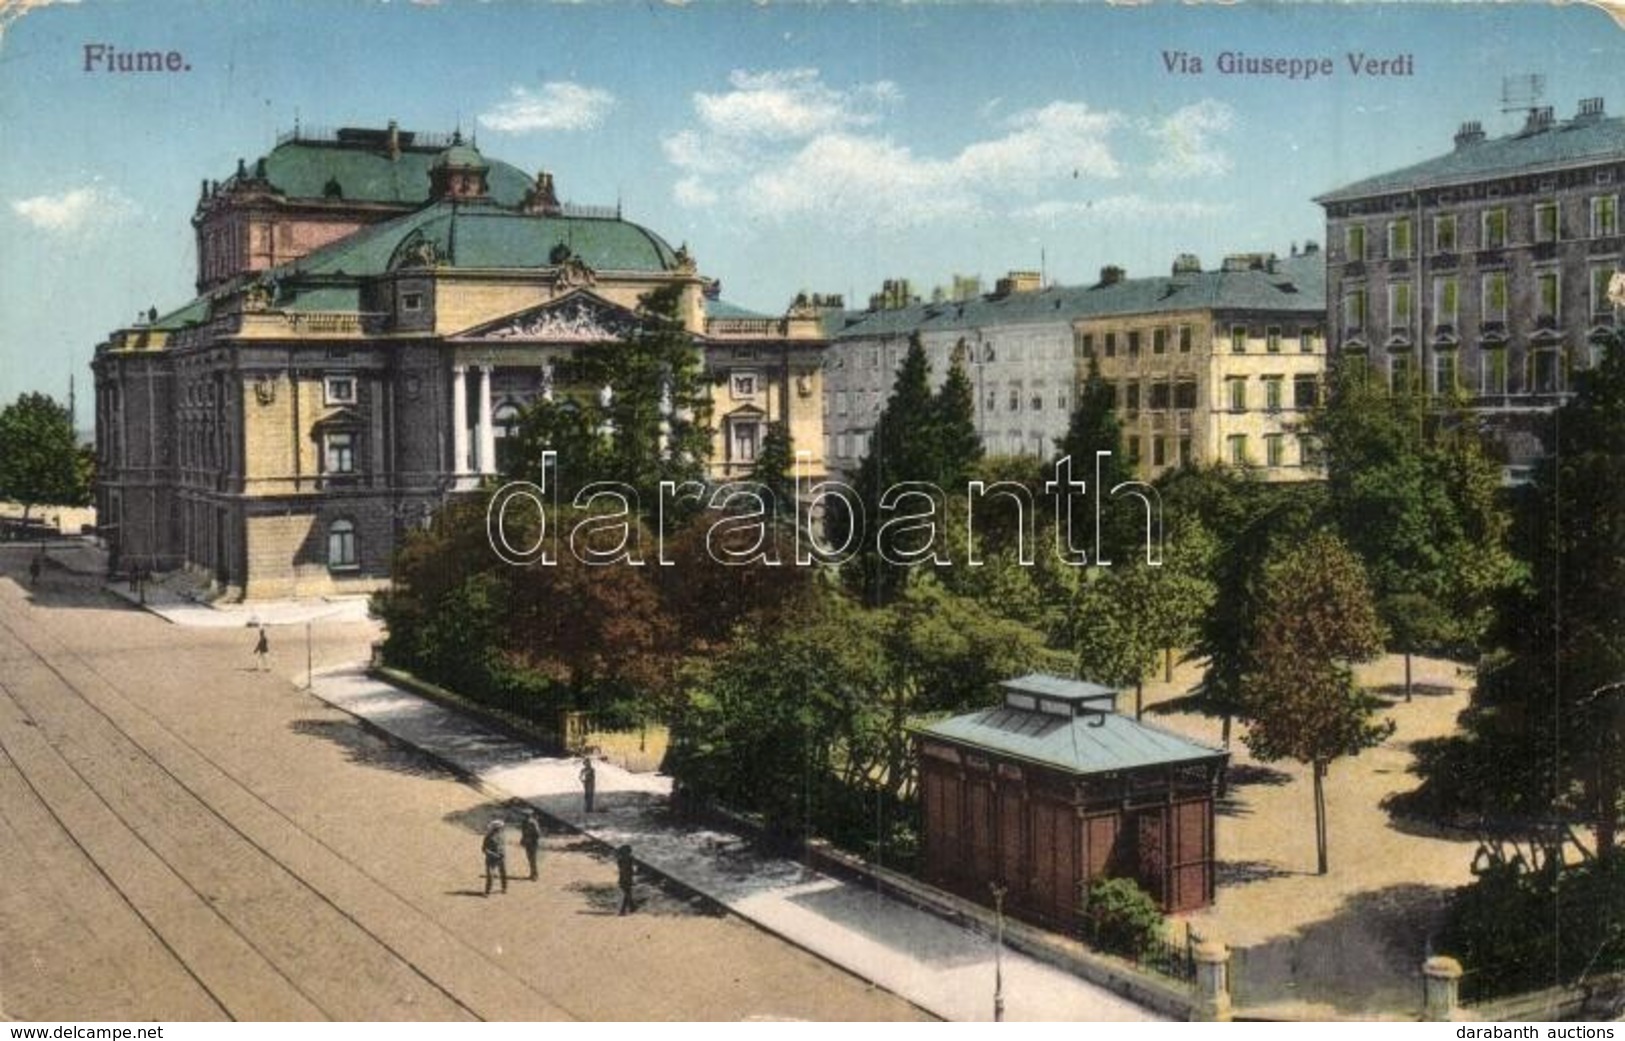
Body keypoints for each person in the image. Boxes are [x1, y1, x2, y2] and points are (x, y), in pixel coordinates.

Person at [482, 819, 508, 895]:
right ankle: (487, 891)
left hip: (501, 858)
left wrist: (503, 854)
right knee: (490, 875)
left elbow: (502, 846)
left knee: (503, 873)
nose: (501, 829)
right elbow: (484, 849)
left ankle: (504, 888)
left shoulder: (502, 835)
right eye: (499, 828)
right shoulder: (488, 837)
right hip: (491, 859)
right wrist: (494, 855)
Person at [519, 810, 543, 881]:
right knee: (530, 858)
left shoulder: (533, 822)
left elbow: (538, 833)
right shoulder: (524, 822)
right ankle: (532, 873)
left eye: (527, 815)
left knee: (533, 859)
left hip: (533, 843)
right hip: (527, 842)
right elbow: (523, 833)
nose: (525, 816)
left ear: (530, 815)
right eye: (525, 815)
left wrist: (532, 839)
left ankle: (535, 875)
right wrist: (523, 840)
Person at [616, 844, 635, 915]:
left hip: (625, 877)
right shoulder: (628, 859)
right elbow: (627, 870)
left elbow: (625, 870)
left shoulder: (622, 859)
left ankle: (625, 909)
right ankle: (629, 908)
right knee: (627, 893)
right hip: (626, 877)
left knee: (627, 893)